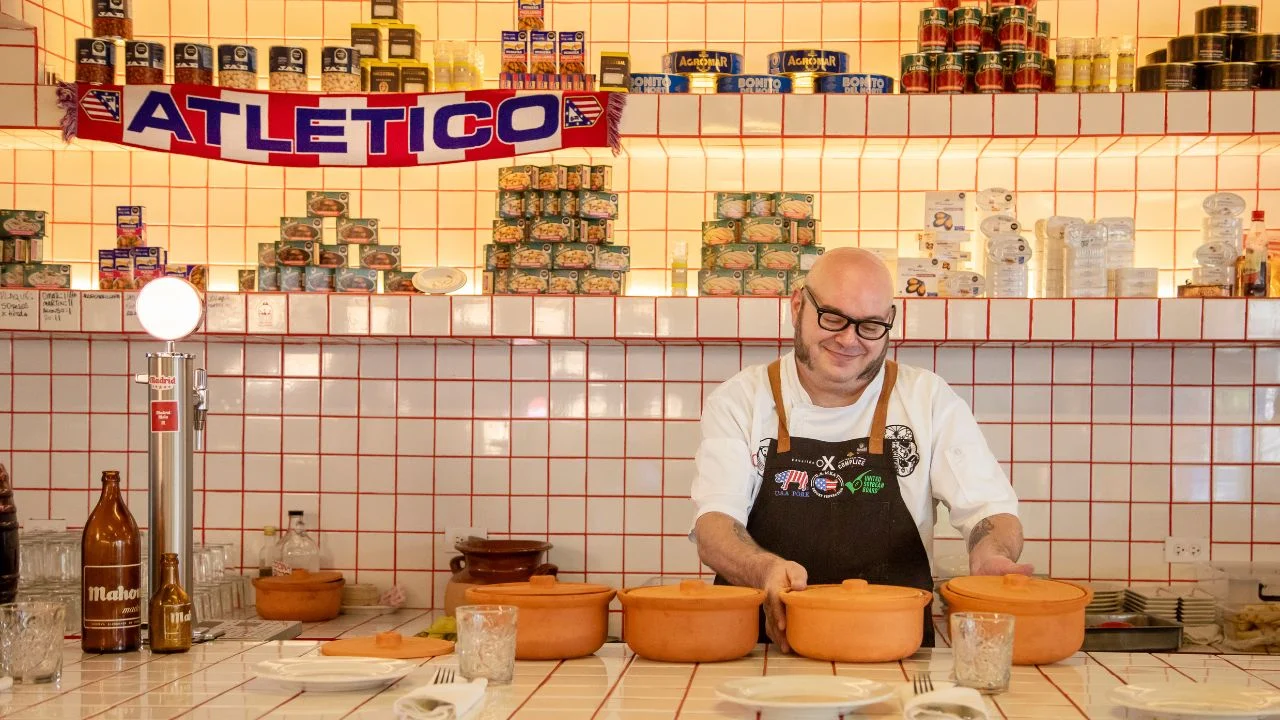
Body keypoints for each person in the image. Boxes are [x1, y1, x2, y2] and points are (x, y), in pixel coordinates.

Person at [691, 247, 1031, 652]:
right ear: (797, 305)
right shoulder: (740, 401)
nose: (849, 339)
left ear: (890, 322)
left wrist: (990, 555)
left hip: (892, 652)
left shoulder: (927, 399)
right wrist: (762, 569)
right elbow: (715, 527)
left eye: (870, 326)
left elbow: (989, 511)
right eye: (833, 318)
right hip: (764, 652)